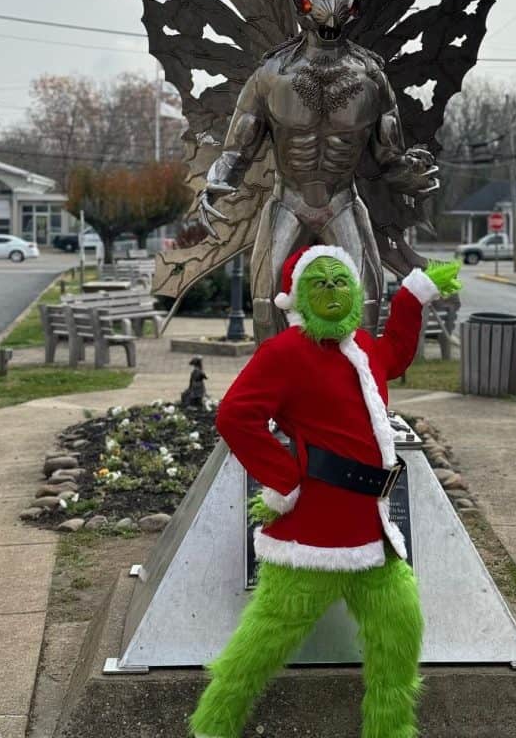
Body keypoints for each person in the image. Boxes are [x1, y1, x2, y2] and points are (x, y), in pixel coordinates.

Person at [190, 244, 460, 738]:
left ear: (356, 291)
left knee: (400, 629)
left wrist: (414, 298)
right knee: (261, 647)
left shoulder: (360, 346)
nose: (333, 290)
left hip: (371, 536)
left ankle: (390, 729)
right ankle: (213, 727)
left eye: (341, 281)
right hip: (310, 540)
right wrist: (285, 479)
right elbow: (235, 416)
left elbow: (394, 354)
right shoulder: (285, 354)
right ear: (297, 298)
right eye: (321, 283)